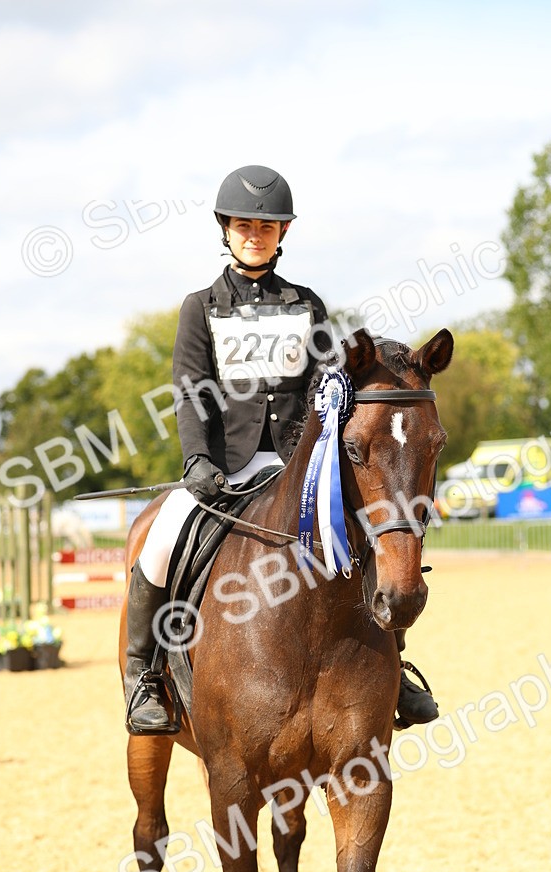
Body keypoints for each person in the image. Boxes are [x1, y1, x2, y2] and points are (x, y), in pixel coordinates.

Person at [123, 164, 438, 733]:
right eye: (244, 224)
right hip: (220, 470)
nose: (254, 235)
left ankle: (396, 662)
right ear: (225, 229)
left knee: (373, 535)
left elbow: (328, 386)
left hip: (297, 466)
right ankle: (145, 677)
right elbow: (192, 390)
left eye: (266, 227)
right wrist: (197, 462)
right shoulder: (202, 306)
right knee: (160, 541)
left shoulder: (306, 304)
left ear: (282, 233)